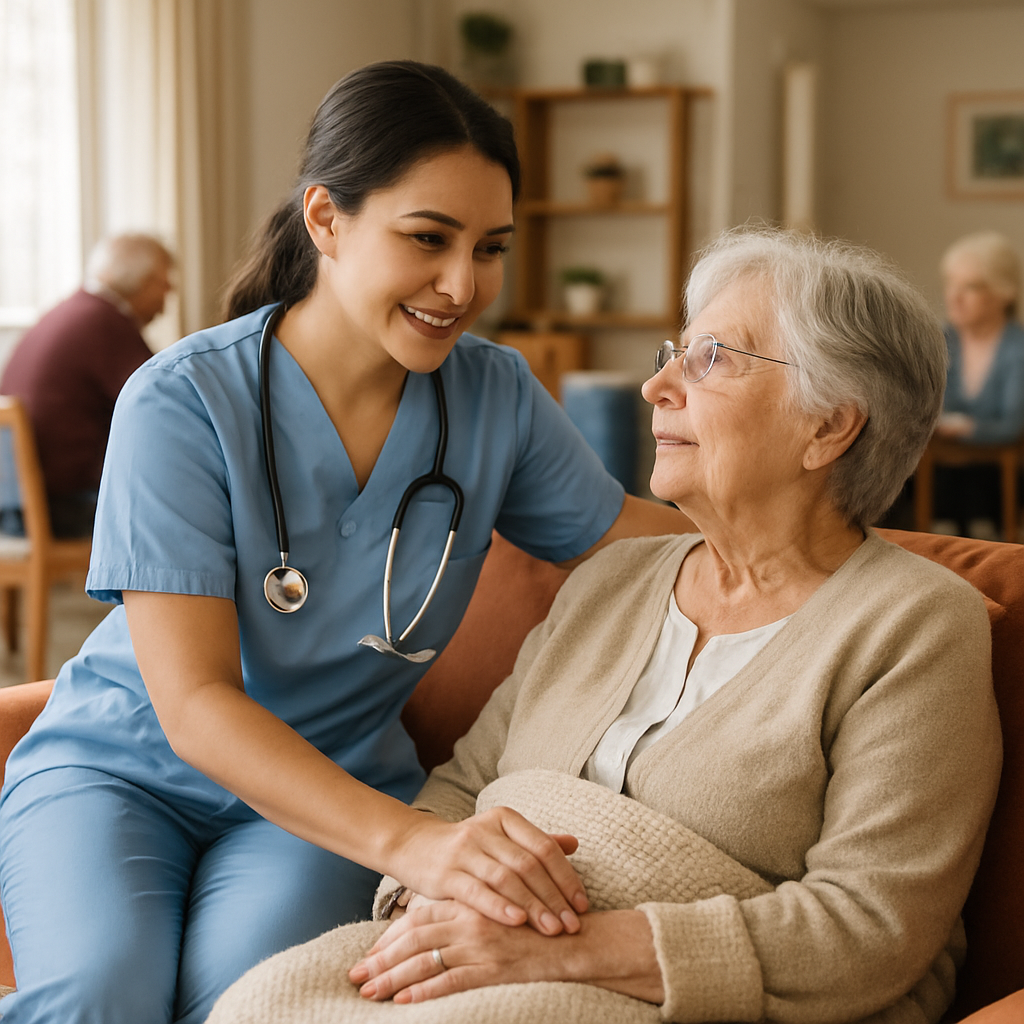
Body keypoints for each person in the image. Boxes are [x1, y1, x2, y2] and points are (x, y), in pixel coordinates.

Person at [0, 61, 687, 1024]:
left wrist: (849, 555)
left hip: (328, 790)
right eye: (427, 239)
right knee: (97, 1000)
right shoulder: (183, 401)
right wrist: (414, 844)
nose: (462, 285)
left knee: (247, 1004)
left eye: (490, 248)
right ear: (326, 220)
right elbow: (195, 704)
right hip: (121, 770)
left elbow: (633, 542)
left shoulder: (495, 399)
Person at [205, 228, 1002, 1024]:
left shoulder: (918, 625)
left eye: (713, 358)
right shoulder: (611, 582)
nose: (657, 387)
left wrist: (563, 948)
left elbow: (873, 928)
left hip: (692, 995)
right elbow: (460, 787)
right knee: (257, 1005)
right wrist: (435, 905)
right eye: (673, 353)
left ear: (829, 425)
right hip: (478, 950)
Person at [0, 233, 174, 538]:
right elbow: (168, 404)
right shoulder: (106, 323)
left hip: (15, 506)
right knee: (190, 512)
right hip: (64, 508)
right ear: (140, 281)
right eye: (163, 280)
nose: (169, 291)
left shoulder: (65, 313)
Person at [933, 230, 1024, 537]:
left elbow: (1010, 427)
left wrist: (963, 430)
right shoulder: (939, 342)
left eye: (970, 287)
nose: (954, 297)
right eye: (950, 284)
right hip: (940, 478)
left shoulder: (1018, 349)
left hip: (1000, 484)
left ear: (1003, 292)